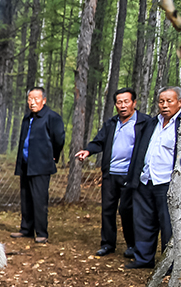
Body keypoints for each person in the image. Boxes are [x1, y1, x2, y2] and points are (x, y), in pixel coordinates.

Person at [75, 88, 149, 258]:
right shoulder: (111, 123)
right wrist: (87, 151)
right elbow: (99, 141)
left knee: (127, 210)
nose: (122, 105)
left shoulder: (144, 123)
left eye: (126, 101)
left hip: (131, 175)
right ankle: (108, 244)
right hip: (110, 174)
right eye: (119, 102)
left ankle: (132, 245)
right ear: (115, 105)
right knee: (107, 210)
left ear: (134, 103)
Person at [124, 86, 181, 269]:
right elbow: (139, 151)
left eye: (169, 101)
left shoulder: (179, 125)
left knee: (168, 224)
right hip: (145, 180)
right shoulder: (151, 123)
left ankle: (169, 264)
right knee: (143, 222)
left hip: (168, 183)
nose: (164, 105)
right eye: (161, 101)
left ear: (179, 102)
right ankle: (143, 259)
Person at [11, 87, 66, 243]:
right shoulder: (27, 118)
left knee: (39, 199)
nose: (32, 102)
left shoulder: (52, 117)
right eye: (30, 99)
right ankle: (26, 229)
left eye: (36, 99)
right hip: (25, 164)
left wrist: (52, 155)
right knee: (25, 197)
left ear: (44, 100)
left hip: (41, 165)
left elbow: (59, 140)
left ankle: (41, 232)